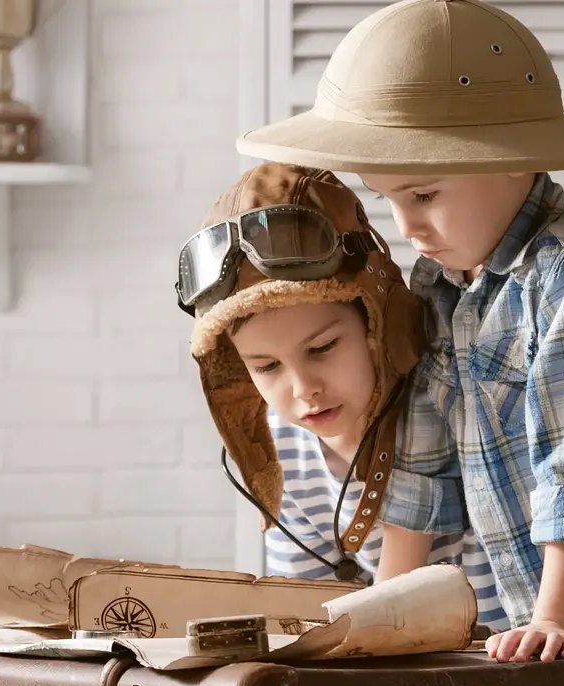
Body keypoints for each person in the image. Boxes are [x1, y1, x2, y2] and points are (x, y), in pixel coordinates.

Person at [231, 1, 564, 686]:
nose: (408, 228)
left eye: (424, 195)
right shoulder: (441, 284)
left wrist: (556, 618)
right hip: (549, 646)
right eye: (389, 201)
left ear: (514, 161)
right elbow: (423, 463)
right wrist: (380, 627)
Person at [177, 160, 508, 632]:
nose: (303, 388)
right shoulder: (283, 449)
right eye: (266, 366)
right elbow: (303, 614)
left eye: (323, 348)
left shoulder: (447, 399)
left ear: (378, 324)